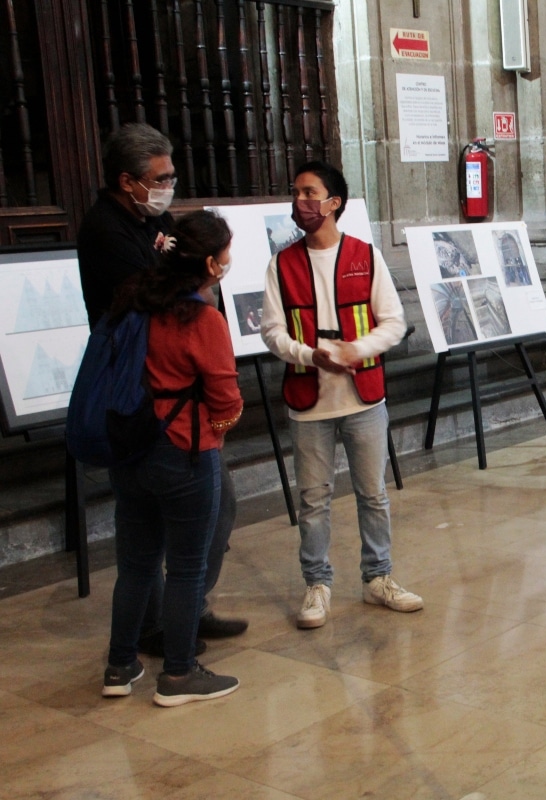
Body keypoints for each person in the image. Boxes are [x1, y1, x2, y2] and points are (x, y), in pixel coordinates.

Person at [77, 123, 247, 652]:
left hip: (171, 401)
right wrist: (218, 427)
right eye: (161, 177)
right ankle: (173, 643)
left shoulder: (156, 219)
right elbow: (162, 291)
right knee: (167, 538)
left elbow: (173, 267)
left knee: (180, 529)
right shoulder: (106, 230)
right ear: (127, 181)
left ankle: (160, 629)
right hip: (148, 400)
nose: (169, 186)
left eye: (172, 175)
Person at [261, 160, 421, 629]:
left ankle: (379, 578)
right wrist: (311, 355)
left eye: (310, 193)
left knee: (372, 494)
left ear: (334, 203)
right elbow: (271, 332)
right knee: (313, 499)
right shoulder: (282, 263)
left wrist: (356, 350)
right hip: (308, 400)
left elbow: (393, 322)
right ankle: (317, 584)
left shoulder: (365, 256)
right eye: (296, 193)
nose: (300, 202)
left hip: (364, 399)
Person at [101, 210, 242, 706]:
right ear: (209, 261)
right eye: (226, 253)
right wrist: (217, 433)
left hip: (130, 448)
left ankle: (119, 667)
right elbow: (225, 399)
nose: (228, 261)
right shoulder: (201, 318)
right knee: (185, 568)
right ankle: (179, 675)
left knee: (135, 567)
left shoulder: (132, 301)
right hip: (184, 451)